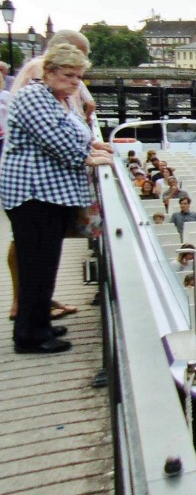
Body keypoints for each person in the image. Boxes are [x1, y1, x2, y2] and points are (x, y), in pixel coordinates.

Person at [2, 44, 113, 354]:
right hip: (33, 195)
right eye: (69, 75)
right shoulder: (32, 96)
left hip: (48, 196)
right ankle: (29, 335)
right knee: (36, 265)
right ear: (48, 72)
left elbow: (75, 131)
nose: (75, 83)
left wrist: (94, 146)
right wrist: (89, 158)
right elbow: (55, 140)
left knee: (44, 263)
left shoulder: (55, 97)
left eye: (78, 77)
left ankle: (39, 323)